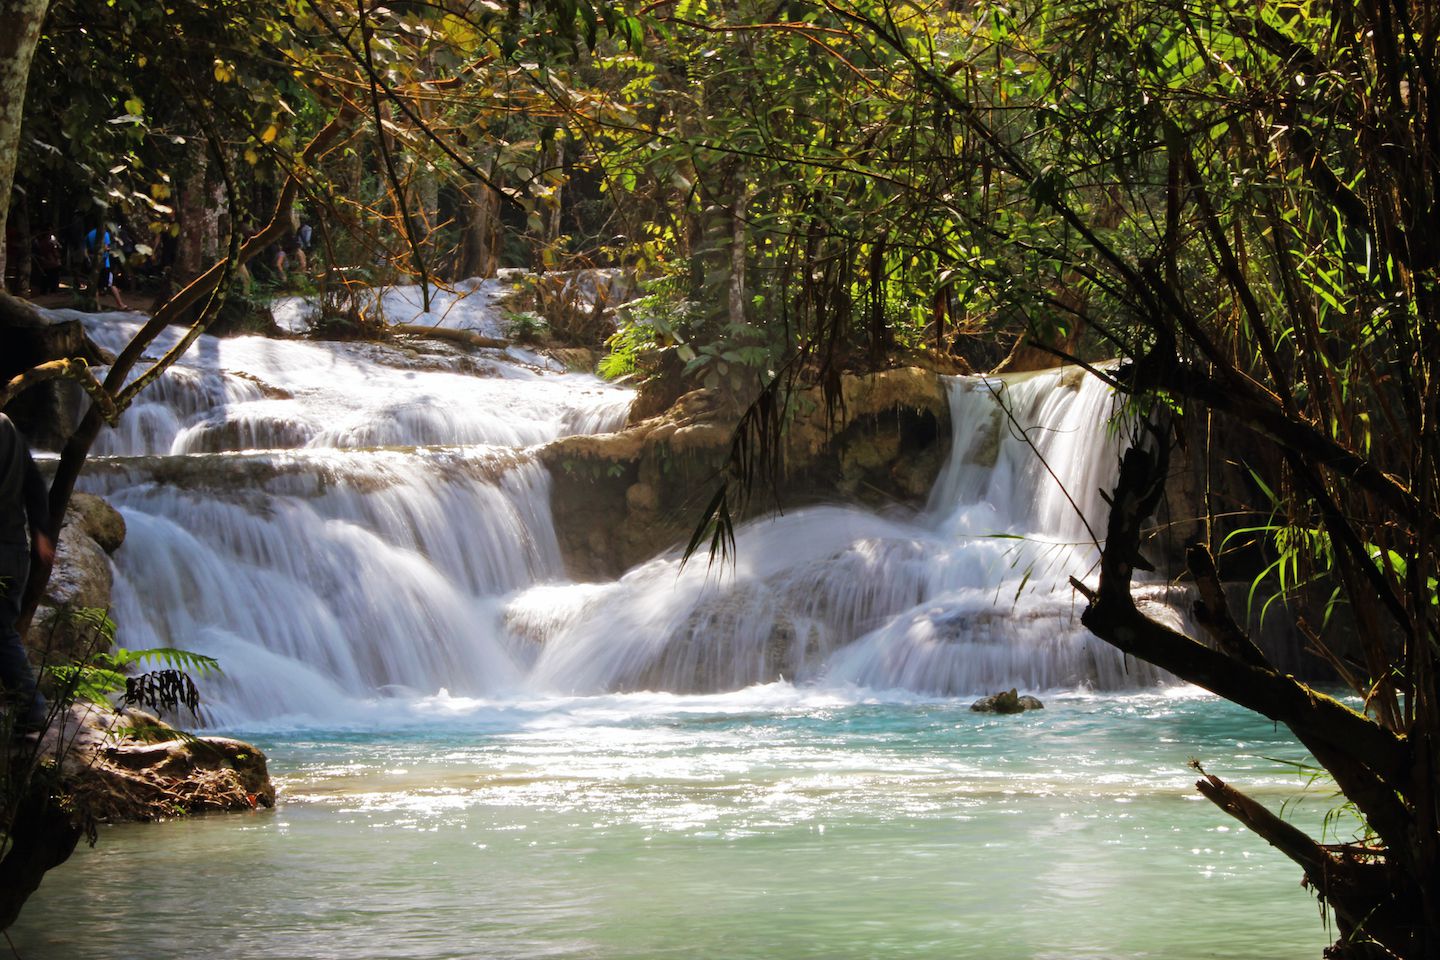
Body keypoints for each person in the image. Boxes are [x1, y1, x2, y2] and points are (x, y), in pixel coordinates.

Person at [0, 414, 53, 735]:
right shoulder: (9, 427)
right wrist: (41, 533)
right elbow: (35, 485)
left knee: (0, 633)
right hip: (14, 549)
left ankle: (32, 706)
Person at [84, 225, 129, 310]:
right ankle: (120, 304)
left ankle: (97, 306)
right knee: (111, 284)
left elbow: (84, 249)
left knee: (95, 285)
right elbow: (106, 247)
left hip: (93, 263)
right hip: (104, 264)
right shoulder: (105, 234)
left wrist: (88, 259)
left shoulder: (89, 234)